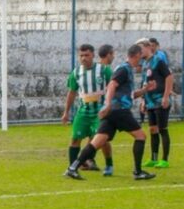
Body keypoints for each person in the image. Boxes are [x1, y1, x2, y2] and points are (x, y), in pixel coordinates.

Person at [64, 44, 156, 181]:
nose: (142, 60)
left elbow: (128, 94)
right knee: (141, 136)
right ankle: (138, 172)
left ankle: (72, 168)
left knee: (97, 142)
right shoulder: (124, 69)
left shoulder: (127, 70)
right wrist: (107, 103)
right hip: (119, 111)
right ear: (136, 55)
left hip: (112, 112)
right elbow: (112, 85)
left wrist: (144, 90)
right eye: (141, 57)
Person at [60, 44, 114, 176]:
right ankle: (72, 168)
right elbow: (72, 92)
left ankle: (109, 165)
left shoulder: (104, 70)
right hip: (83, 111)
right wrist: (66, 112)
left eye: (87, 55)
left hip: (100, 112)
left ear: (93, 55)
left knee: (102, 140)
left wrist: (109, 106)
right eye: (81, 55)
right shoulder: (76, 72)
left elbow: (113, 87)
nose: (83, 58)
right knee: (75, 139)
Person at [137, 38, 174, 169]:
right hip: (150, 101)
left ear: (148, 47)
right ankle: (153, 158)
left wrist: (165, 96)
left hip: (159, 100)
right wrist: (143, 100)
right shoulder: (145, 64)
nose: (139, 52)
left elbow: (169, 77)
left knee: (162, 129)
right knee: (153, 130)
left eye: (140, 49)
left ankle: (164, 159)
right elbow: (144, 83)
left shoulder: (158, 61)